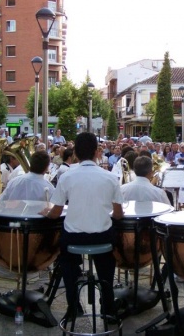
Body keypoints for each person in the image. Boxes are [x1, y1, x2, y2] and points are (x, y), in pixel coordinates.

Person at [40, 132, 124, 319]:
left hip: (74, 237)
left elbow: (55, 213)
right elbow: (118, 215)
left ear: (76, 153)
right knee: (107, 260)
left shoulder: (67, 176)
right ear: (97, 152)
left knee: (66, 260)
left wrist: (46, 211)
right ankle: (108, 305)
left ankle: (73, 304)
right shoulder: (110, 177)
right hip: (102, 236)